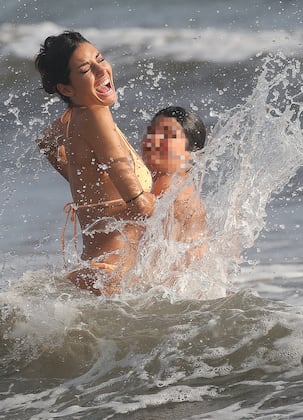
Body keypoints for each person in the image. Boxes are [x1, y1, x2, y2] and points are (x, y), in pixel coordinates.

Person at [35, 31, 156, 296]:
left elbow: (46, 141)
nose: (102, 70)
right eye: (86, 69)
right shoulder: (96, 113)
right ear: (66, 89)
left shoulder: (75, 116)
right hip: (111, 274)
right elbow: (137, 200)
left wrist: (83, 180)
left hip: (101, 270)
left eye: (100, 59)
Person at [141, 106, 208, 265]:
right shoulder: (184, 186)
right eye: (150, 132)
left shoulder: (170, 186)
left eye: (167, 135)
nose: (153, 140)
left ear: (192, 153)